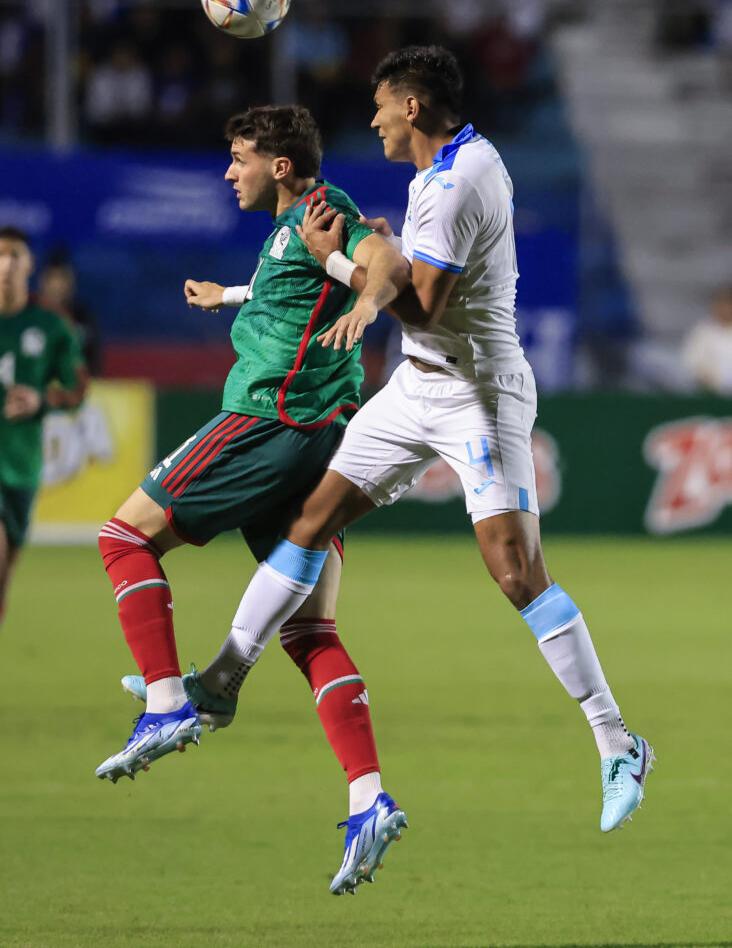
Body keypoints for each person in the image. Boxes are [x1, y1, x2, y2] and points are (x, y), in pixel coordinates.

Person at [190, 47, 655, 882]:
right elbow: (407, 273)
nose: (370, 121)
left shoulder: (454, 182)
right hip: (417, 386)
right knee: (312, 520)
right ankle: (222, 680)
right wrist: (370, 258)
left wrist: (337, 260)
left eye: (379, 107)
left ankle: (619, 745)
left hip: (479, 392)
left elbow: (427, 302)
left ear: (411, 106)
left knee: (515, 572)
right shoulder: (455, 162)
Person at [94, 106, 409, 888]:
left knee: (123, 537)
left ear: (277, 165)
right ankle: (369, 798)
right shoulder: (288, 230)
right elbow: (294, 284)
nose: (228, 171)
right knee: (311, 631)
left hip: (269, 417)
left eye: (237, 158)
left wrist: (369, 297)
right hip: (321, 438)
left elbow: (384, 262)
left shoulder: (321, 210)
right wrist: (227, 296)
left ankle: (169, 702)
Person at [0, 227, 87, 627]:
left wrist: (41, 400)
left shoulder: (51, 325)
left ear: (29, 264)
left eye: (15, 255)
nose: (6, 265)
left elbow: (77, 388)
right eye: (0, 255)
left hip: (21, 467)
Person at [680, 284, 732, 394]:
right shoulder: (702, 332)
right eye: (721, 303)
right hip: (709, 394)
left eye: (728, 304)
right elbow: (692, 364)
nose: (725, 309)